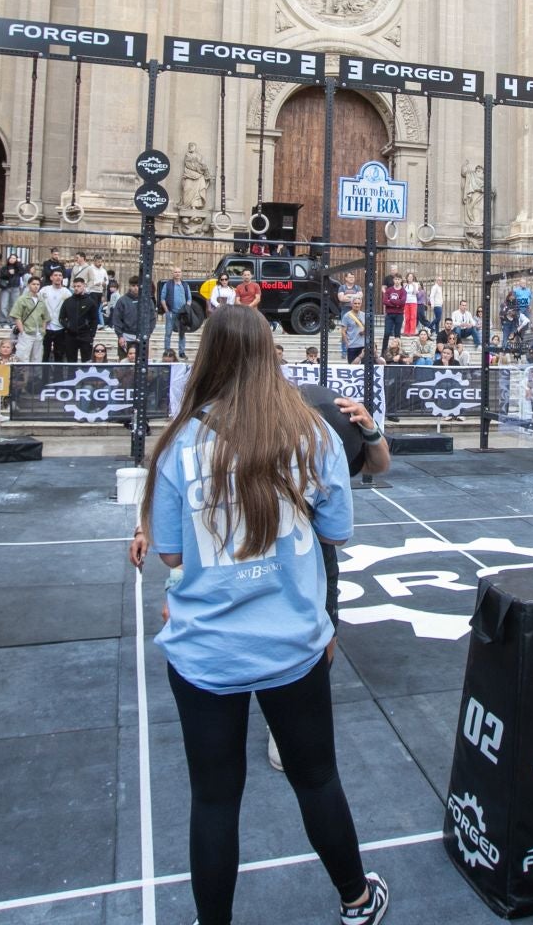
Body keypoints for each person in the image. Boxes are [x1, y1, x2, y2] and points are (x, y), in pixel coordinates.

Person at [130, 306, 390, 925]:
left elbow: (169, 551)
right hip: (291, 641)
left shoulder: (178, 443)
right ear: (271, 354)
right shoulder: (312, 434)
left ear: (209, 357)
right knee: (317, 779)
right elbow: (338, 533)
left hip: (206, 648)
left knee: (214, 801)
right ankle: (356, 900)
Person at [60, 277, 100, 363]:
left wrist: (91, 334)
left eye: (78, 286)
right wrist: (68, 326)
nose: (76, 288)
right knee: (71, 362)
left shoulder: (90, 302)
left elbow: (95, 319)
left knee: (86, 362)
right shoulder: (68, 301)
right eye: (74, 286)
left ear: (84, 286)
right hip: (70, 336)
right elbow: (61, 318)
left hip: (85, 335)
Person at [109, 276, 152, 354]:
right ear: (129, 286)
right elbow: (117, 319)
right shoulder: (122, 300)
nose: (136, 288)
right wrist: (120, 336)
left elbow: (152, 318)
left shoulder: (148, 300)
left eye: (138, 285)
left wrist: (148, 333)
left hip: (142, 336)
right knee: (123, 363)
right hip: (126, 336)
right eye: (133, 286)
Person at [9, 276, 47, 362]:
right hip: (27, 332)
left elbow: (45, 317)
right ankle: (23, 376)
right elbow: (16, 316)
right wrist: (22, 331)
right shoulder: (22, 299)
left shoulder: (41, 300)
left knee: (37, 358)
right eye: (33, 284)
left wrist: (43, 331)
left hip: (38, 333)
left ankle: (35, 376)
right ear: (29, 285)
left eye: (38, 284)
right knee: (23, 357)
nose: (36, 286)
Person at [158, 267, 193, 359]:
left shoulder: (185, 285)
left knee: (182, 334)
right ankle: (167, 351)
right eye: (175, 272)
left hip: (182, 314)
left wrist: (186, 308)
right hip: (171, 313)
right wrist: (166, 310)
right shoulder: (167, 285)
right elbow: (162, 298)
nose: (177, 274)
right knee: (168, 333)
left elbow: (189, 299)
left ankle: (182, 352)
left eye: (179, 272)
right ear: (172, 274)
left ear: (181, 274)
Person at [38, 269, 71, 362]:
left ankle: (58, 375)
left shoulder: (66, 292)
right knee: (45, 354)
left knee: (59, 355)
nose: (58, 277)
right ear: (51, 277)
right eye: (55, 275)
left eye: (60, 275)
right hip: (46, 327)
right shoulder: (44, 290)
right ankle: (44, 376)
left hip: (60, 328)